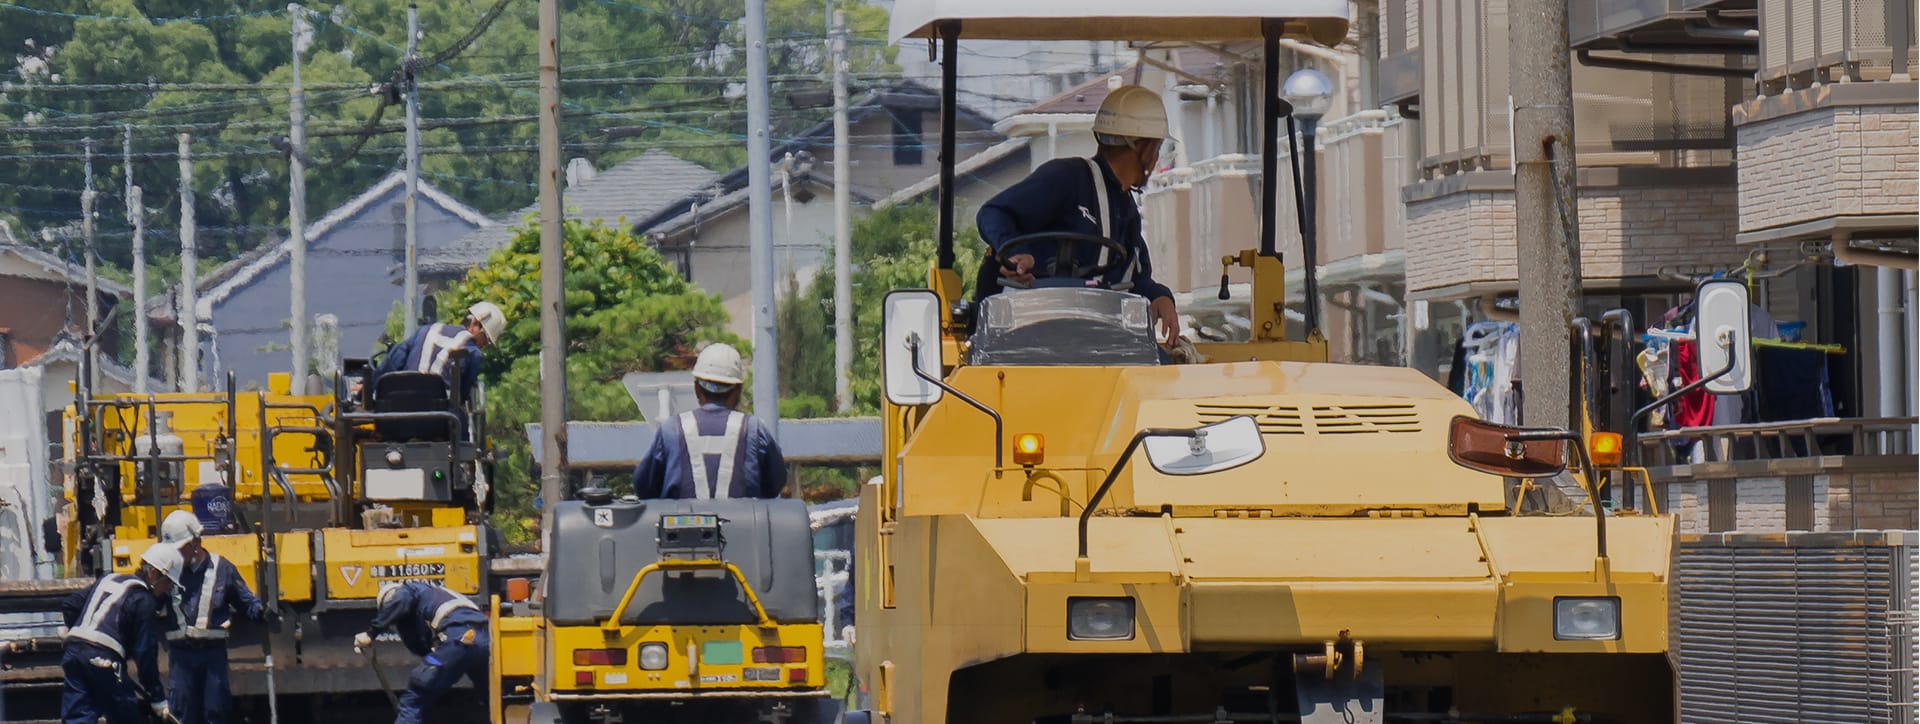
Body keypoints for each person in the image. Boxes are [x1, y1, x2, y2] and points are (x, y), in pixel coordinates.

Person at [975, 84, 1182, 345]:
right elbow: (994, 213)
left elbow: (1134, 279)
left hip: (1093, 336)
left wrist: (1159, 297)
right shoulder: (1066, 178)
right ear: (1141, 147)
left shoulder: (1125, 208)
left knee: (1161, 368)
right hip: (1031, 330)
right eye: (1156, 149)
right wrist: (1015, 252)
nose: (1155, 161)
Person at [632, 343, 787, 500]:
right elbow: (775, 484)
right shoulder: (754, 429)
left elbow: (644, 487)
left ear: (697, 389)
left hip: (679, 522)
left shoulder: (671, 429)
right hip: (745, 524)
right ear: (737, 390)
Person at [159, 510, 268, 724]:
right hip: (182, 657)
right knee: (180, 715)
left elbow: (245, 601)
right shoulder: (168, 572)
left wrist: (262, 612)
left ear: (195, 543)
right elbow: (149, 601)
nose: (175, 556)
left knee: (216, 712)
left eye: (179, 550)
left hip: (212, 656)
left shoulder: (222, 568)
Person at [60, 542, 182, 724]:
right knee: (124, 715)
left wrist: (78, 631)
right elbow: (145, 655)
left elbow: (70, 604)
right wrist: (157, 697)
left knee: (78, 717)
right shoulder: (144, 600)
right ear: (154, 573)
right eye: (168, 584)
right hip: (104, 659)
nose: (167, 590)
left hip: (74, 651)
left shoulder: (109, 579)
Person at [353, 581, 491, 724]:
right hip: (485, 640)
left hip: (459, 639)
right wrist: (431, 655)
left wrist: (371, 633)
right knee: (492, 698)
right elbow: (418, 641)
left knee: (413, 698)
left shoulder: (407, 590)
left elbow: (402, 600)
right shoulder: (440, 594)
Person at [372, 301, 507, 410]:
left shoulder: (426, 330)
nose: (484, 345)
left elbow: (395, 360)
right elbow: (462, 395)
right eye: (487, 339)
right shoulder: (472, 353)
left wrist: (367, 388)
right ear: (476, 324)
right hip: (439, 422)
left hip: (397, 411)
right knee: (464, 428)